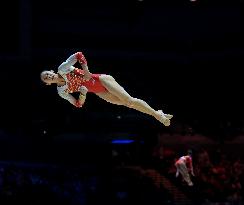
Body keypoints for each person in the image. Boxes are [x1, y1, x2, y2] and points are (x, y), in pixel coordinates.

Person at [40, 52, 173, 126]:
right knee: (128, 104)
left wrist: (86, 71)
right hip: (99, 92)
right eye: (46, 78)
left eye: (47, 73)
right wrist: (83, 95)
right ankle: (157, 113)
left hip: (101, 80)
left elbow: (79, 55)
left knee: (129, 99)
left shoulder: (62, 69)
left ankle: (157, 116)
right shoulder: (61, 91)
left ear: (51, 71)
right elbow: (78, 104)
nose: (48, 76)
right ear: (48, 83)